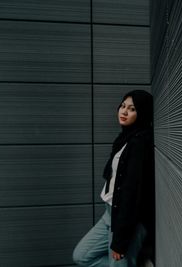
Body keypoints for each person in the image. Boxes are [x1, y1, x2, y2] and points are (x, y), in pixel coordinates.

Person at [73, 90, 155, 267]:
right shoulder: (125, 138)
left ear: (143, 113)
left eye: (132, 109)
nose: (124, 112)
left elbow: (131, 194)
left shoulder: (140, 143)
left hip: (126, 220)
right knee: (81, 256)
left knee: (117, 262)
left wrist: (120, 240)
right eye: (123, 106)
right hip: (109, 214)